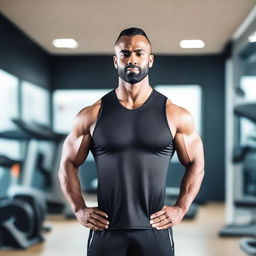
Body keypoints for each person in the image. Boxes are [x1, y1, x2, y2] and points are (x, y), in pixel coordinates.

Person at [58, 27, 205, 256]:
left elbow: (197, 163)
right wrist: (78, 208)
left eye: (139, 52)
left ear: (151, 59)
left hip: (155, 229)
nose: (132, 59)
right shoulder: (91, 115)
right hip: (106, 229)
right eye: (125, 54)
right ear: (116, 61)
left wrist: (180, 208)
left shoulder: (175, 114)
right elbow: (67, 164)